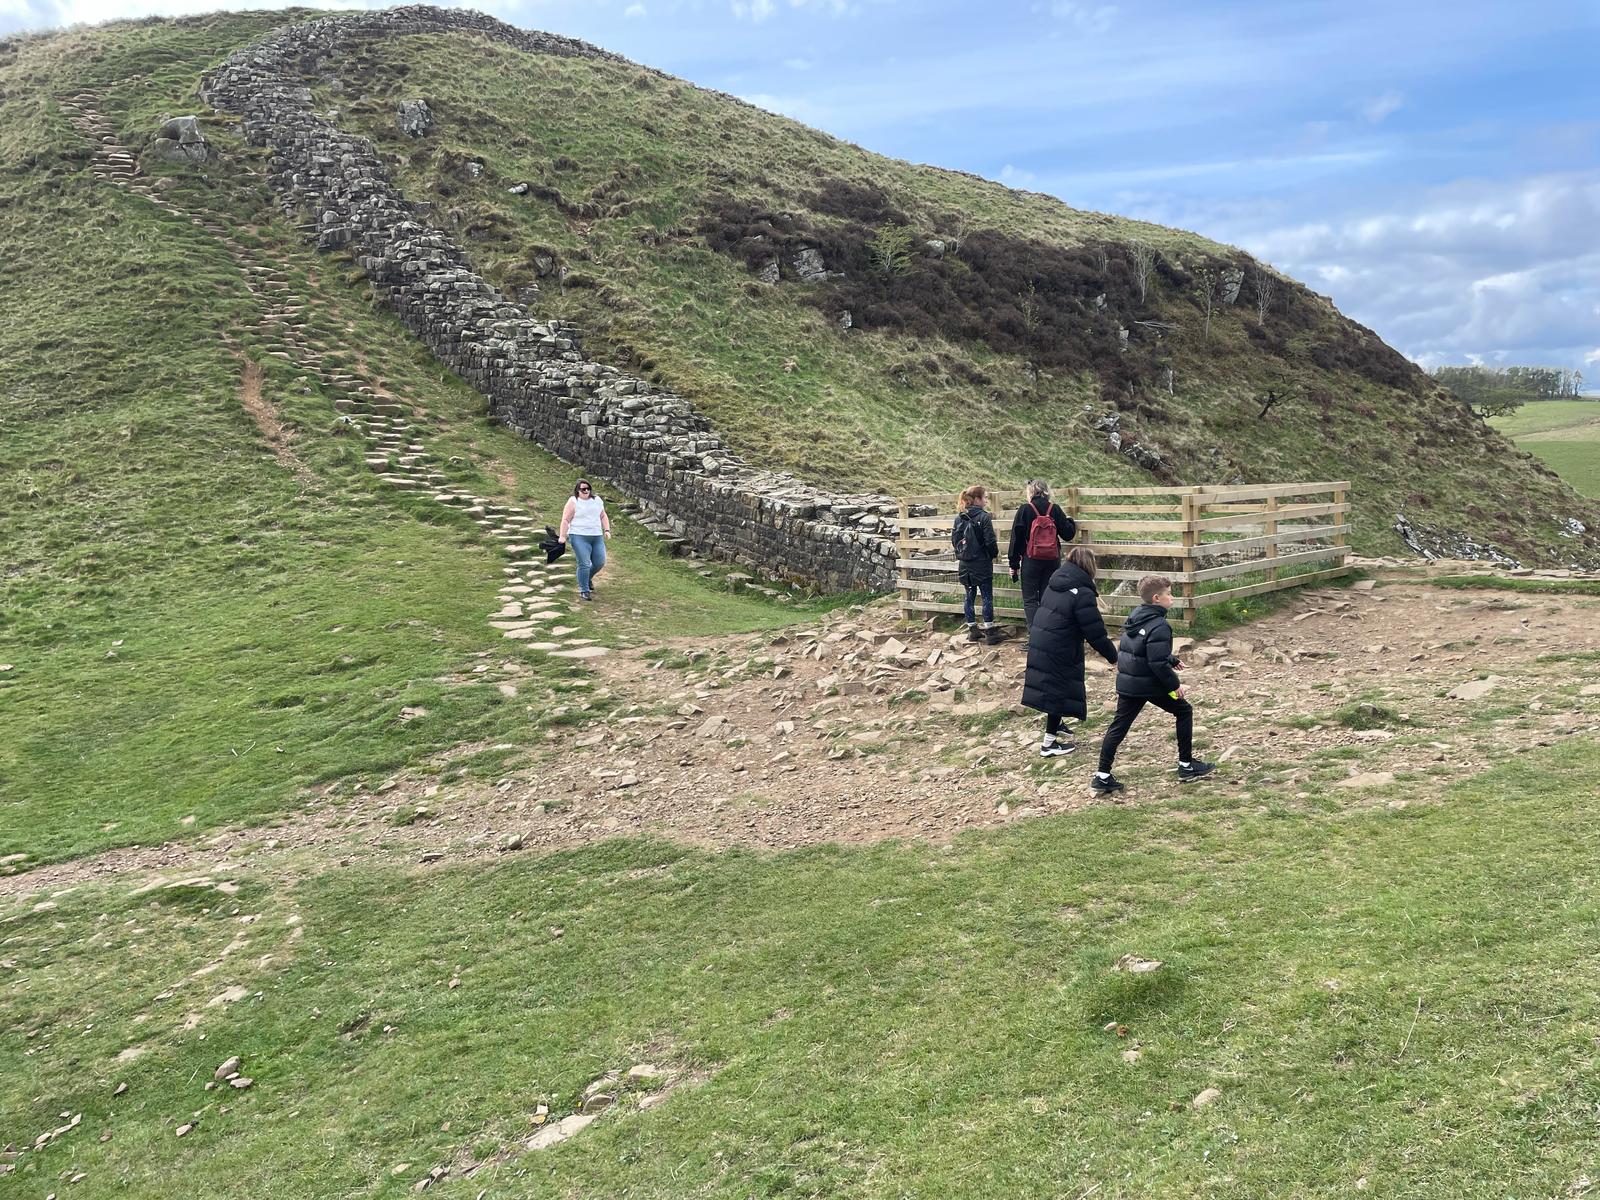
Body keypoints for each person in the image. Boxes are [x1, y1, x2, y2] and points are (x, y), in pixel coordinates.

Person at [1091, 575, 1216, 794]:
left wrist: (1171, 659)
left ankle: (1102, 776)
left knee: (1118, 727)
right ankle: (1186, 766)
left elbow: (1144, 650)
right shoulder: (1160, 625)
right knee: (1184, 710)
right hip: (1148, 684)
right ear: (1157, 598)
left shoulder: (1136, 616)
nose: (1172, 597)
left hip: (1130, 682)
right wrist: (1173, 686)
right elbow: (1156, 662)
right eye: (1169, 594)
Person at [1020, 547, 1118, 757]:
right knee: (1057, 690)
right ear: (1089, 566)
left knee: (1052, 687)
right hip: (1059, 648)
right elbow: (1095, 632)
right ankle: (1049, 744)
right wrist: (1113, 656)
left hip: (1043, 641)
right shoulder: (1081, 592)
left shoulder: (1057, 581)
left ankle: (1058, 724)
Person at [1007, 480, 1077, 633]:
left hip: (1031, 560)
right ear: (1046, 492)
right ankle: (1048, 634)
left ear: (1030, 492)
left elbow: (1016, 539)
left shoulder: (1025, 510)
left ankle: (1035, 636)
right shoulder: (1055, 509)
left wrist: (1014, 564)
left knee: (1030, 600)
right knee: (1048, 599)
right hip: (1052, 560)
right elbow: (1068, 534)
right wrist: (1070, 521)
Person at [952, 485, 1002, 644]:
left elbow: (954, 541)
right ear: (977, 499)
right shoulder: (984, 517)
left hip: (965, 564)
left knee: (969, 595)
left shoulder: (959, 517)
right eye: (985, 498)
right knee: (986, 596)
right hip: (981, 563)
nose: (986, 501)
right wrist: (993, 554)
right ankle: (990, 632)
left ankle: (972, 630)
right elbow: (990, 541)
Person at [558, 478, 611, 601]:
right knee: (584, 563)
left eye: (588, 488)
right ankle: (584, 590)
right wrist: (562, 536)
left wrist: (607, 530)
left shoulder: (597, 500)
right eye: (583, 489)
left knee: (600, 562)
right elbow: (565, 520)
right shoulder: (573, 501)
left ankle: (587, 578)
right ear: (577, 490)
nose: (586, 491)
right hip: (578, 536)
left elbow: (603, 515)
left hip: (596, 536)